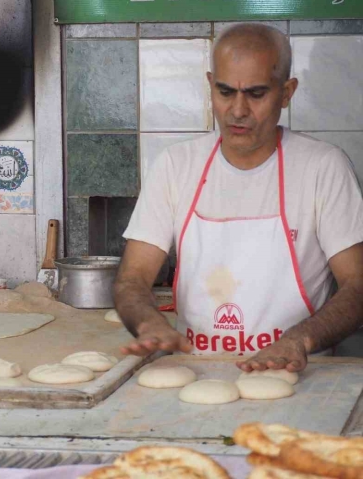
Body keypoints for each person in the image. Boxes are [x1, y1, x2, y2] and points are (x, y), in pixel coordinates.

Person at [115, 23, 363, 372]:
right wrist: (148, 323)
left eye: (257, 94)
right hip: (196, 373)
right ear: (210, 85)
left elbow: (357, 284)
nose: (238, 110)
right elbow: (133, 276)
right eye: (225, 92)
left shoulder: (322, 168)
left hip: (295, 379)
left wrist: (299, 339)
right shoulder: (176, 166)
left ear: (287, 92)